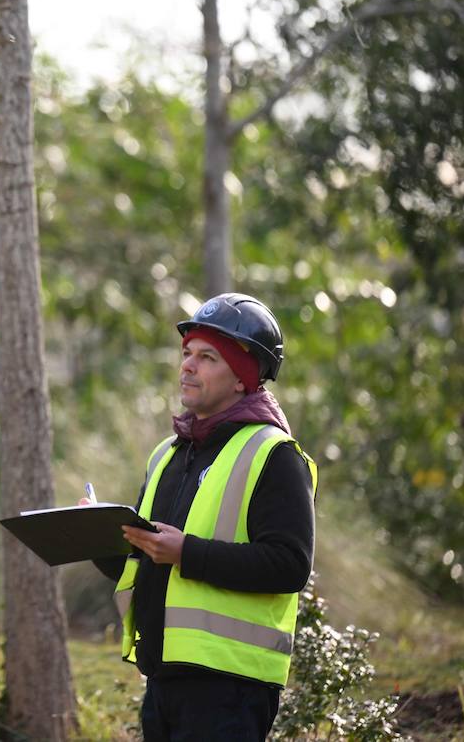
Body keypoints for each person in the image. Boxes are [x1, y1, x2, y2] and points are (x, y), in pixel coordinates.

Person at [89, 292, 316, 741]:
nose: (187, 366)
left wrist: (185, 553)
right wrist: (96, 538)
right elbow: (147, 562)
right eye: (187, 353)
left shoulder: (274, 454)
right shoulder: (167, 455)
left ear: (241, 378)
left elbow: (290, 565)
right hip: (163, 677)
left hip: (230, 688)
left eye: (207, 357)